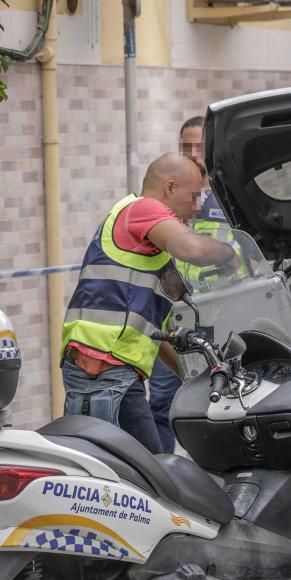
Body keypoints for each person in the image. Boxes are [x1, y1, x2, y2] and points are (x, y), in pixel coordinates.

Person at [62, 153, 238, 453]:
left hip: (111, 370)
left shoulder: (149, 248)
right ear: (170, 187)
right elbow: (191, 247)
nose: (196, 209)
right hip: (104, 368)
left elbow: (161, 331)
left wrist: (192, 376)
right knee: (151, 480)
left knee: (138, 476)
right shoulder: (142, 209)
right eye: (194, 197)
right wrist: (231, 253)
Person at [148, 116, 236, 454]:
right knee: (162, 400)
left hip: (222, 314)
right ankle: (164, 476)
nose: (193, 153)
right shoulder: (168, 203)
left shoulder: (228, 199)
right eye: (186, 146)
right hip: (174, 317)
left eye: (199, 146)